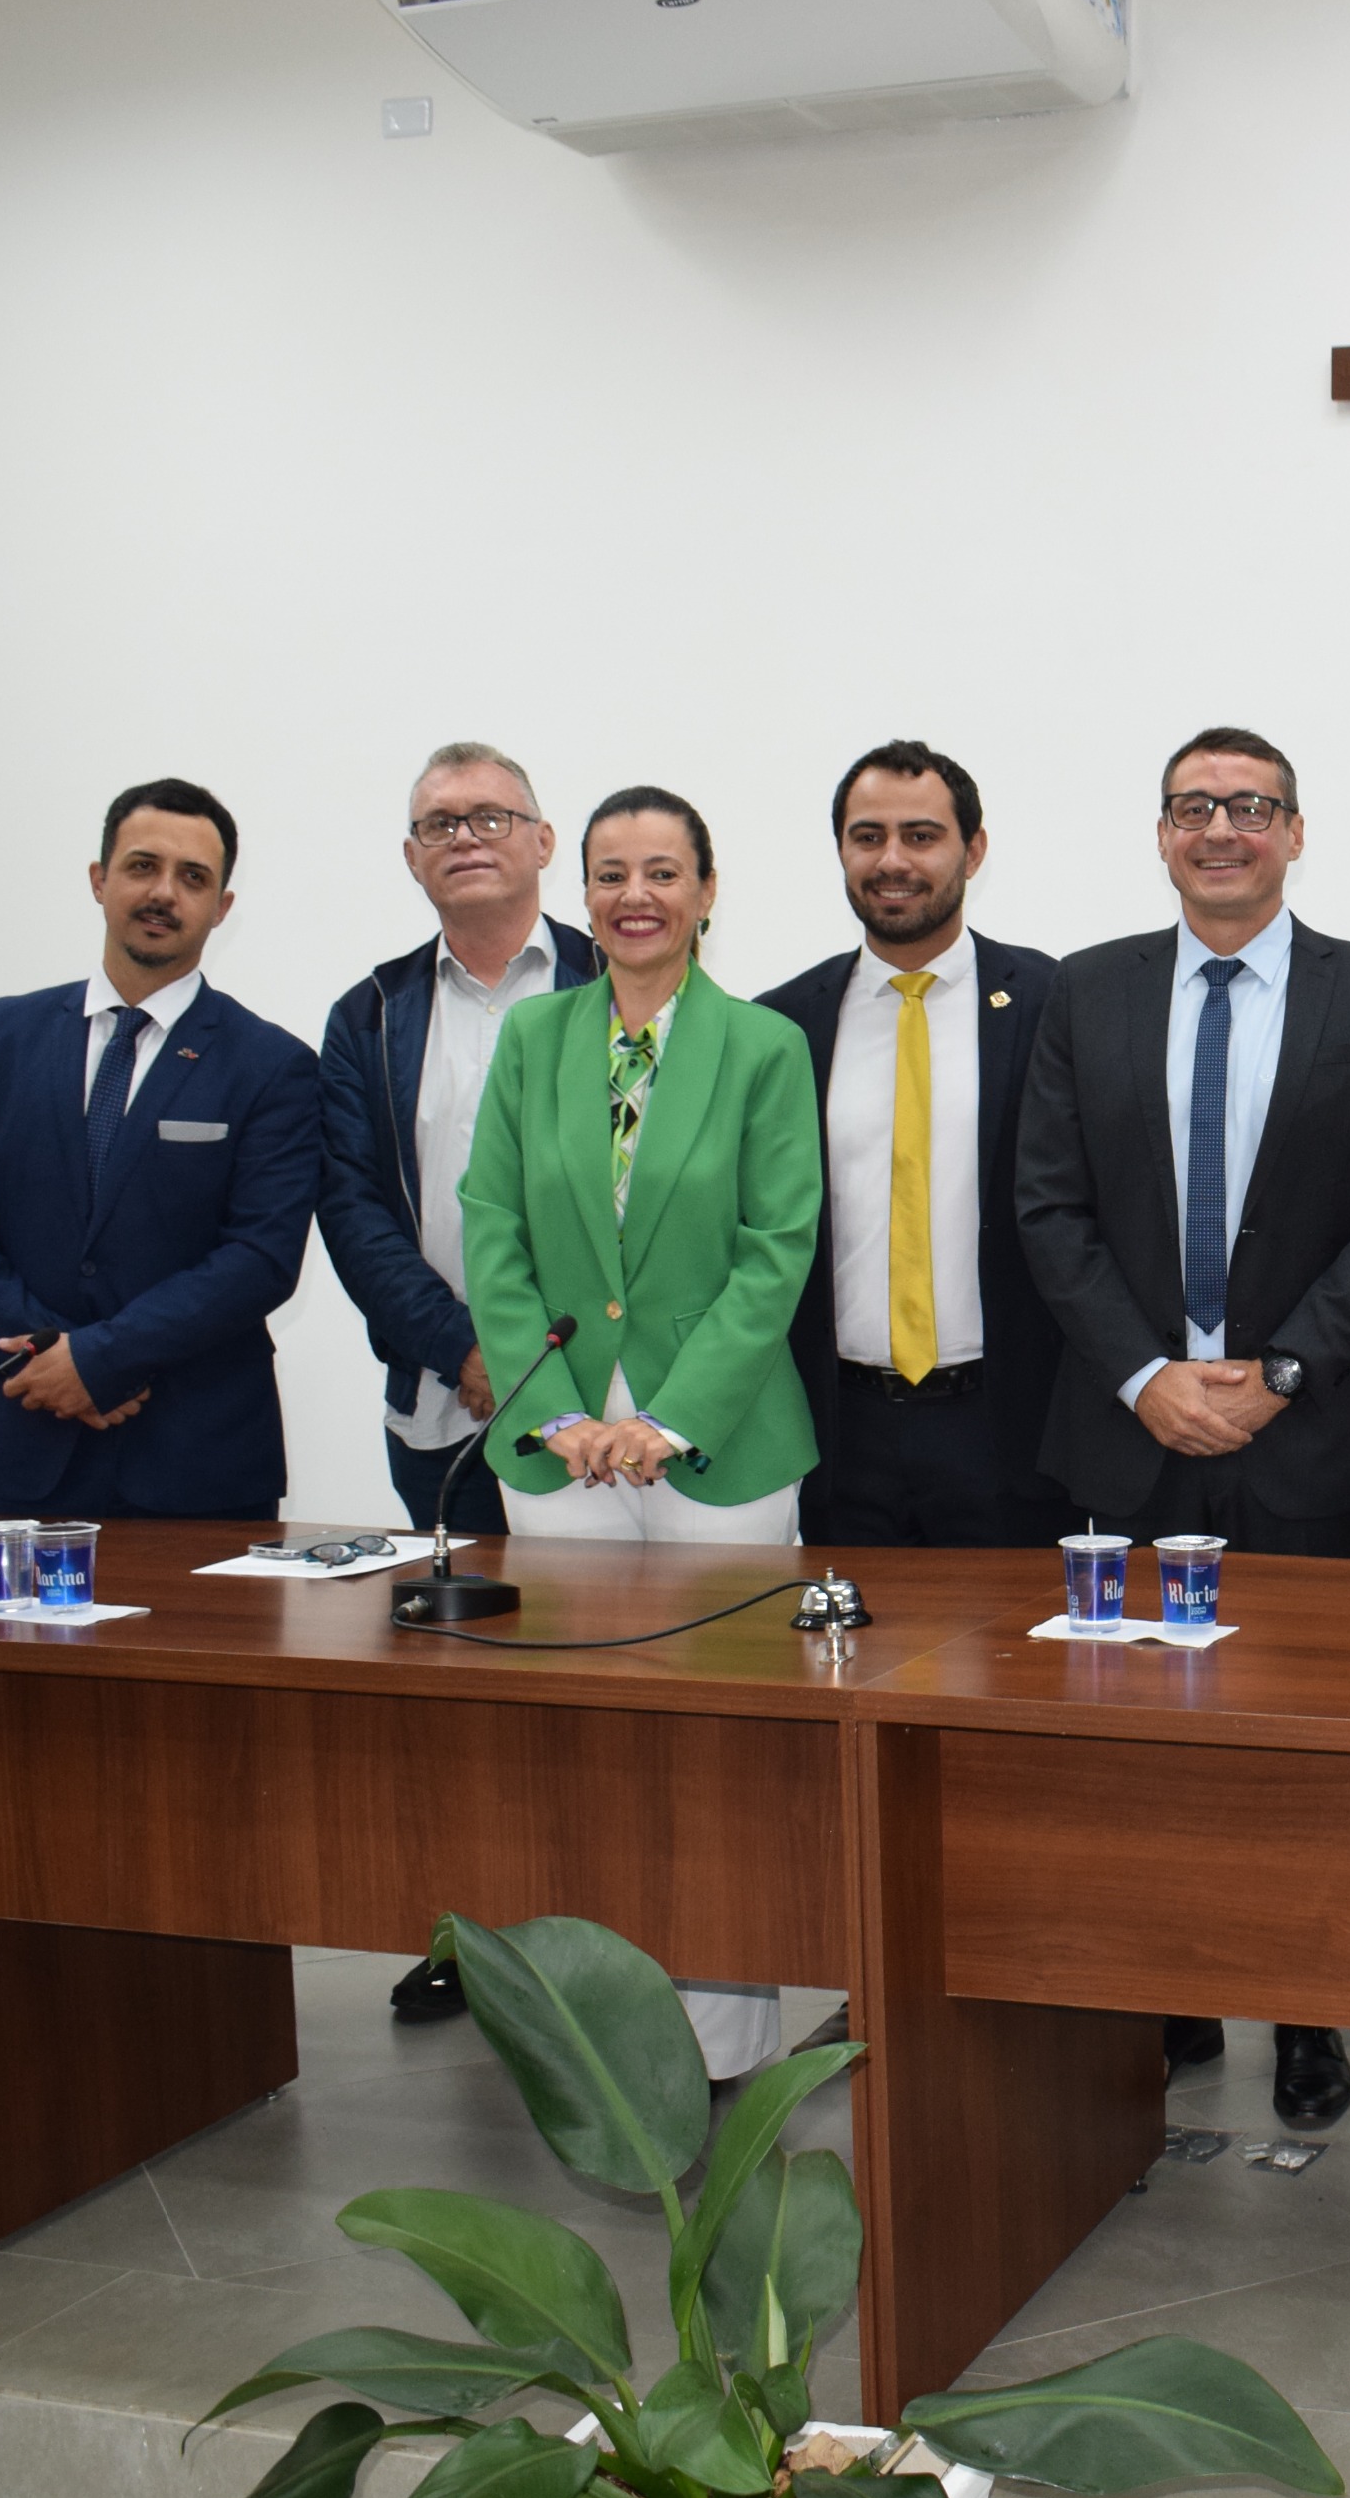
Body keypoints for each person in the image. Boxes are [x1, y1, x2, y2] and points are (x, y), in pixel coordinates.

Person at [1014, 723, 1350, 2132]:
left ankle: (1307, 2014)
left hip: (1305, 1439)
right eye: (1195, 807)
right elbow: (1051, 1209)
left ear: (1296, 831)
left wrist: (1283, 1372)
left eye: (1250, 806)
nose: (1222, 829)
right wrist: (1147, 1373)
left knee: (1297, 1750)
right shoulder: (1086, 996)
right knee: (1135, 1746)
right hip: (1124, 1431)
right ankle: (1172, 1993)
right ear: (1160, 834)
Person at [460, 785, 823, 2082]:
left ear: (707, 890)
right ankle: (589, 2037)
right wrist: (555, 1406)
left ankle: (719, 2050)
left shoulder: (764, 1046)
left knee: (718, 1744)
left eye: (662, 870)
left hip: (716, 1447)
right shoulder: (533, 1039)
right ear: (585, 889)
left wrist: (670, 1417)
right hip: (556, 1450)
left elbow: (779, 1247)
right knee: (583, 1745)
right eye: (612, 871)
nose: (635, 895)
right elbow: (490, 1224)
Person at [313, 743, 602, 2028]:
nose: (465, 835)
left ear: (544, 842)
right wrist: (461, 1349)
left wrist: (557, 1366)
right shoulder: (370, 1015)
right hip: (446, 1403)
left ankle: (614, 1938)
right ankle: (475, 1938)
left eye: (492, 816)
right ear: (413, 856)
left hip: (607, 1410)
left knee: (601, 1681)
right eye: (438, 822)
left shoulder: (633, 974)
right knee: (463, 1688)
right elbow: (356, 1210)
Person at [0, 779, 321, 1525]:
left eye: (193, 877)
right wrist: (43, 1357)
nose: (164, 892)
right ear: (99, 880)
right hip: (21, 1437)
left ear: (222, 907)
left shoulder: (273, 1065)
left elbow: (261, 1256)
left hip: (198, 1465)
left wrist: (98, 1361)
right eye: (141, 866)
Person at [754, 741, 1069, 1548]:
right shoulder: (783, 1023)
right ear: (841, 852)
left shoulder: (1052, 1003)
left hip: (1009, 1427)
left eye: (922, 835)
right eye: (868, 836)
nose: (892, 859)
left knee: (1016, 1671)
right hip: (838, 1430)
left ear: (975, 848)